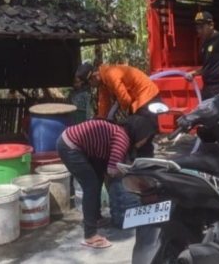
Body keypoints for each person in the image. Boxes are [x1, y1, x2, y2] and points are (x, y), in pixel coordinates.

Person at [57, 117, 155, 249]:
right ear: (138, 132)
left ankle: (96, 218)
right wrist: (121, 186)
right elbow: (111, 172)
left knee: (97, 179)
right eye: (145, 137)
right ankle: (90, 235)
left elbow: (106, 169)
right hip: (70, 146)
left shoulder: (121, 134)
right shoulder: (122, 139)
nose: (145, 141)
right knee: (91, 186)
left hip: (78, 144)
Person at [75, 62, 162, 128]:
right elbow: (103, 103)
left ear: (93, 77)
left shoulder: (111, 75)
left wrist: (122, 108)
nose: (91, 86)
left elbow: (125, 100)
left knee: (141, 133)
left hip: (147, 96)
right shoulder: (103, 81)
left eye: (89, 84)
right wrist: (101, 121)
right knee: (133, 130)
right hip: (138, 99)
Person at [185, 11, 219, 100]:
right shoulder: (205, 41)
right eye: (197, 28)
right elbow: (210, 64)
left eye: (202, 27)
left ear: (211, 25)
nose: (199, 31)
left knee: (216, 113)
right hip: (207, 88)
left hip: (218, 88)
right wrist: (195, 73)